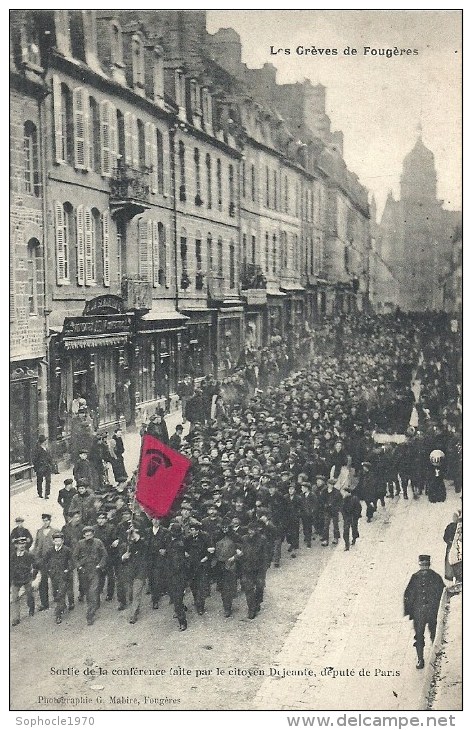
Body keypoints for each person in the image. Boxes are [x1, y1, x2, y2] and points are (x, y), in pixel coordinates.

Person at [403, 554, 445, 669]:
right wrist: (411, 612)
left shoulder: (435, 577)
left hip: (431, 612)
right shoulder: (415, 577)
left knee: (434, 634)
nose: (424, 568)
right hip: (420, 613)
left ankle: (435, 657)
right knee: (419, 636)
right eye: (423, 565)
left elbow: (442, 594)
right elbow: (408, 595)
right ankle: (420, 659)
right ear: (420, 565)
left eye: (426, 565)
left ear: (428, 565)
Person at [73, 525, 108, 625]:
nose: (88, 536)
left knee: (93, 590)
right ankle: (94, 604)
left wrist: (100, 566)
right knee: (87, 591)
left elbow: (104, 555)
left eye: (90, 534)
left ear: (93, 534)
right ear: (84, 535)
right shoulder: (80, 544)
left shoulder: (98, 542)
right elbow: (74, 557)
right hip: (83, 570)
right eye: (86, 535)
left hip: (95, 569)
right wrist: (79, 567)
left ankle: (90, 615)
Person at [44, 532, 74, 624]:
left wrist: (67, 570)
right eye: (55, 541)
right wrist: (48, 570)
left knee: (60, 594)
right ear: (53, 541)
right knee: (55, 593)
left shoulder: (67, 550)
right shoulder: (50, 551)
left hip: (64, 575)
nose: (57, 543)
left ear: (63, 541)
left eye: (59, 540)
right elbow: (45, 561)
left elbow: (72, 561)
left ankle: (58, 614)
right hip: (54, 576)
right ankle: (63, 605)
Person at [34, 513, 60, 611]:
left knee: (55, 580)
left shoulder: (55, 531)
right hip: (42, 560)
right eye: (44, 520)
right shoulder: (39, 532)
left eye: (47, 520)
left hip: (53, 559)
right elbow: (37, 546)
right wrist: (36, 559)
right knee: (43, 582)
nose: (46, 522)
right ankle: (44, 603)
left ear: (50, 521)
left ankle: (57, 598)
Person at [10, 537, 39, 626]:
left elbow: (36, 565)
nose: (22, 546)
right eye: (19, 544)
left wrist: (33, 577)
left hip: (26, 578)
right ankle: (16, 618)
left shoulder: (28, 555)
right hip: (16, 579)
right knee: (15, 598)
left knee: (29, 595)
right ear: (16, 545)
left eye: (23, 544)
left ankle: (31, 608)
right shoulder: (12, 556)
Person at [319, 478, 342, 546]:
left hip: (334, 511)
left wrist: (337, 508)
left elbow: (340, 502)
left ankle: (336, 538)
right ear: (327, 484)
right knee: (326, 525)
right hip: (327, 511)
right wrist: (325, 505)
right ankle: (325, 539)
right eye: (329, 484)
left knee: (335, 525)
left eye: (332, 484)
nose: (330, 485)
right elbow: (321, 500)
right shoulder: (324, 491)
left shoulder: (337, 492)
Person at [32, 434, 54, 499]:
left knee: (48, 480)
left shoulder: (47, 448)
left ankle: (47, 493)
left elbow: (50, 457)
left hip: (47, 466)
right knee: (40, 480)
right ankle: (40, 493)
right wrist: (36, 468)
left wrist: (51, 464)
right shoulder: (37, 449)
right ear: (42, 442)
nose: (45, 442)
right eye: (44, 441)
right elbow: (34, 459)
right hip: (40, 467)